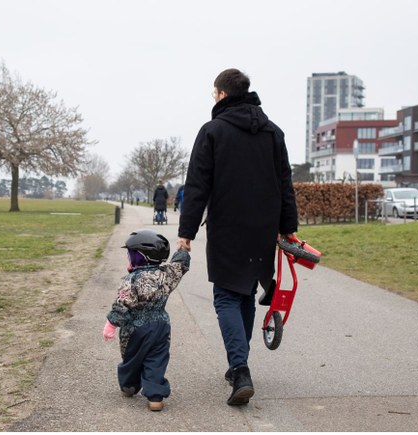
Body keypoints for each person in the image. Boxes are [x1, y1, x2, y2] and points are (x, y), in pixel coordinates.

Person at [177, 68, 298, 406]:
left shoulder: (213, 131)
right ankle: (238, 367)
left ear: (222, 95)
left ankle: (239, 369)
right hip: (263, 226)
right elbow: (284, 182)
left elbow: (197, 185)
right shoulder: (273, 132)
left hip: (228, 225)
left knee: (227, 296)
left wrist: (186, 232)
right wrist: (288, 225)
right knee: (244, 292)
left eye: (213, 93)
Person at [103, 229, 190, 412]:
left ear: (139, 257)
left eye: (131, 254)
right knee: (157, 359)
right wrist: (183, 249)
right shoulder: (166, 274)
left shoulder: (131, 280)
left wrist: (110, 325)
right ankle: (155, 397)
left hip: (135, 329)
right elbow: (179, 265)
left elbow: (122, 304)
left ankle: (130, 385)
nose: (129, 257)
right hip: (161, 325)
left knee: (132, 358)